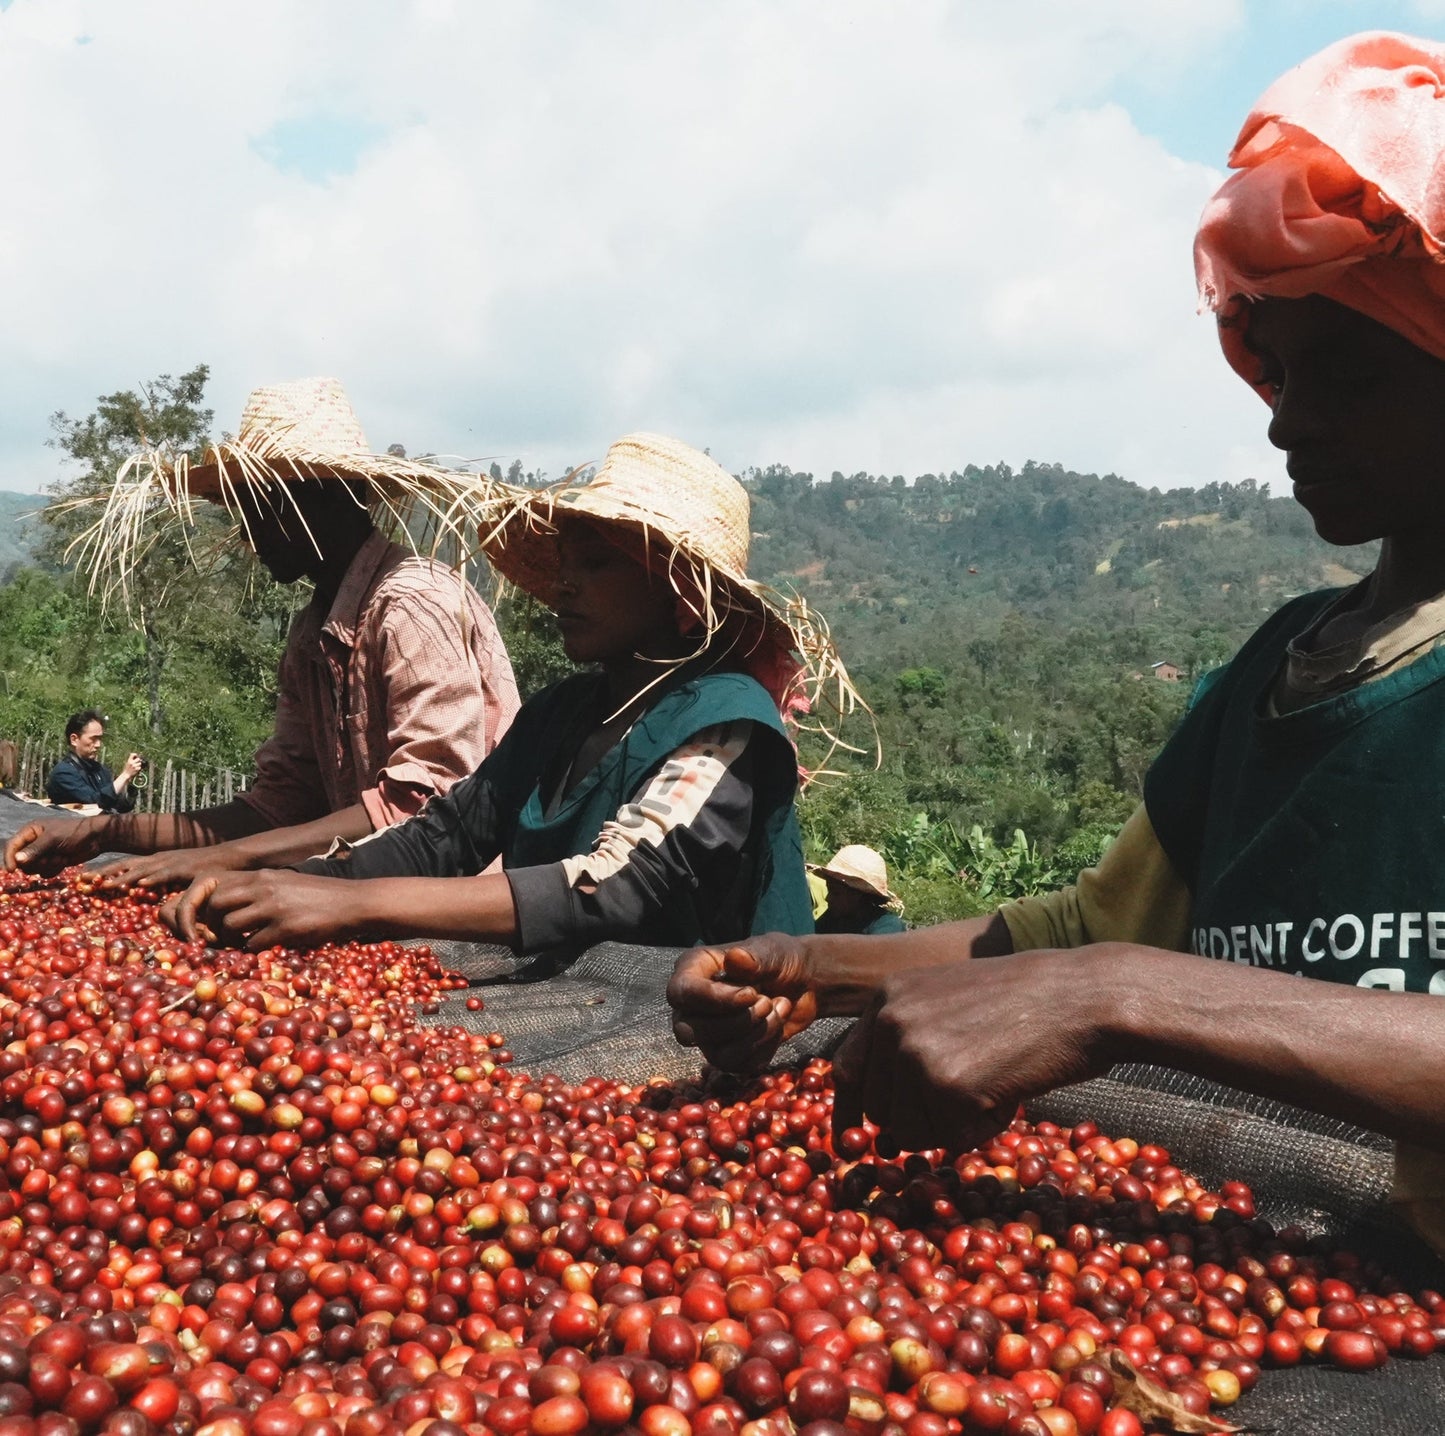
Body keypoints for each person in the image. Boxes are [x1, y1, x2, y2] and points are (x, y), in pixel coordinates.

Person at [667, 32, 1445, 1249]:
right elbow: (1079, 934)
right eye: (1275, 367)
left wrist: (1120, 997)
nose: (1283, 419)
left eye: (1340, 370)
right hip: (1267, 1272)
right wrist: (811, 967)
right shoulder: (1271, 676)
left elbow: (1103, 971)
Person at [155, 433, 860, 957]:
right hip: (581, 1017)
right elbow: (448, 834)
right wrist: (306, 879)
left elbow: (613, 883)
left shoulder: (725, 720)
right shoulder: (565, 713)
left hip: (709, 1041)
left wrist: (350, 904)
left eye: (595, 566)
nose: (562, 586)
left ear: (677, 587)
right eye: (563, 564)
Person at [6, 379, 520, 881]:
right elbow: (280, 806)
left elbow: (425, 806)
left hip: (459, 905)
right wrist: (105, 833)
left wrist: (228, 861)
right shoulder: (312, 636)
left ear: (328, 496)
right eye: (243, 505)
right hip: (365, 894)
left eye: (263, 504)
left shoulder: (411, 605)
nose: (248, 528)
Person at [44, 710, 142, 813]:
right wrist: (125, 775)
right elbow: (95, 803)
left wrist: (131, 782)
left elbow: (120, 807)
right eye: (93, 739)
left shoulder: (100, 770)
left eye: (100, 739)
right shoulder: (63, 773)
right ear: (74, 739)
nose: (98, 745)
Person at [809, 845, 905, 935]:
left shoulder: (887, 926)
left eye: (835, 893)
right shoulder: (831, 920)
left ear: (857, 895)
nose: (827, 898)